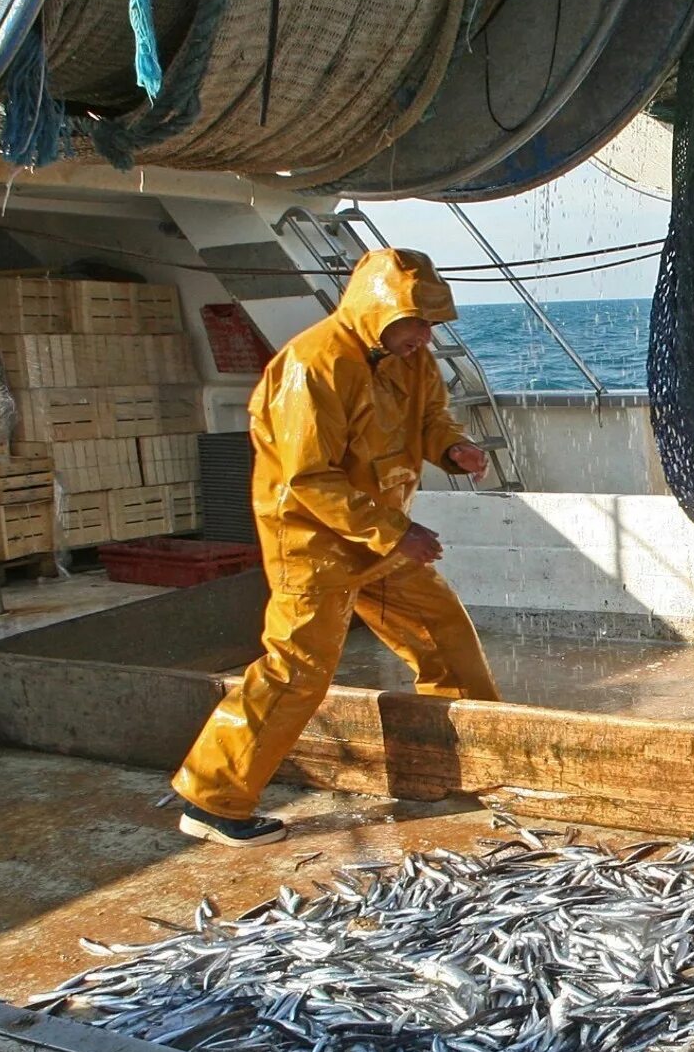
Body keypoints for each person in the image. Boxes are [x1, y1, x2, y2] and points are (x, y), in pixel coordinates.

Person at [171, 248, 502, 845]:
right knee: (297, 669)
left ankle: (475, 766)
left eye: (431, 325)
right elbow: (308, 478)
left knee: (445, 635)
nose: (426, 337)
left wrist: (455, 449)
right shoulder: (312, 364)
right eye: (417, 323)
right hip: (314, 546)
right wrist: (400, 532)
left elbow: (431, 419)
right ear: (379, 312)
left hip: (380, 537)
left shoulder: (412, 360)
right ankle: (211, 798)